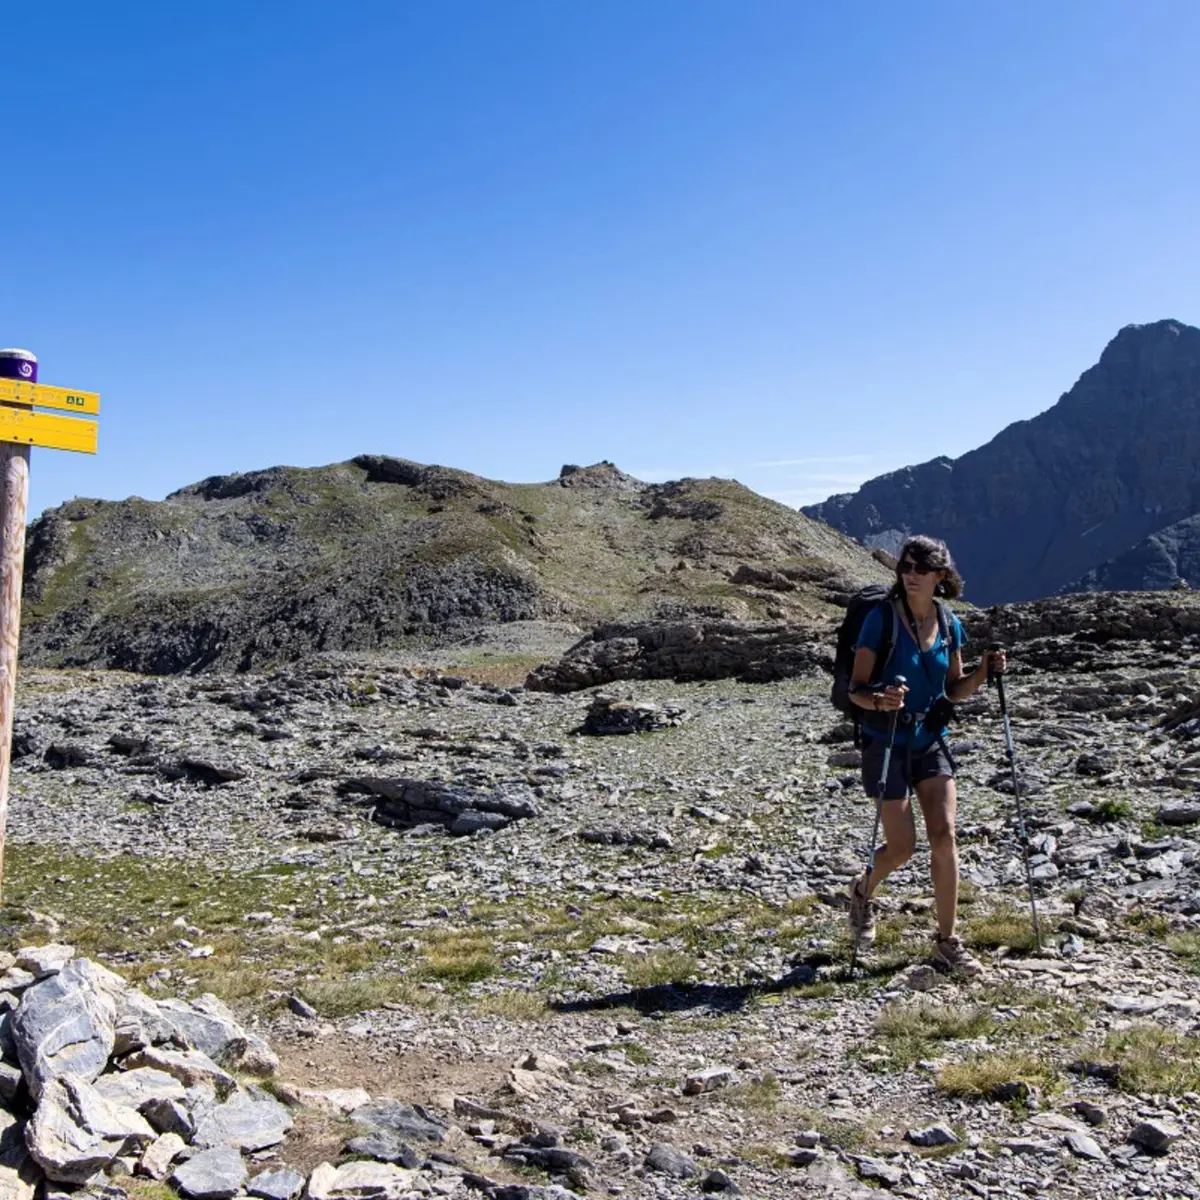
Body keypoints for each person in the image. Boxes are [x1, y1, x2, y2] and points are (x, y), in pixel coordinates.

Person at [846, 535, 1005, 977]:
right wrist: (879, 701)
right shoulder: (880, 620)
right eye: (905, 567)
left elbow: (953, 690)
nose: (910, 575)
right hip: (886, 740)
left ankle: (947, 941)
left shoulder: (949, 622)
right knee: (902, 847)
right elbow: (855, 690)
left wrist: (981, 674)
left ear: (940, 575)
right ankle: (861, 891)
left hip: (930, 736)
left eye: (920, 568)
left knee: (945, 835)